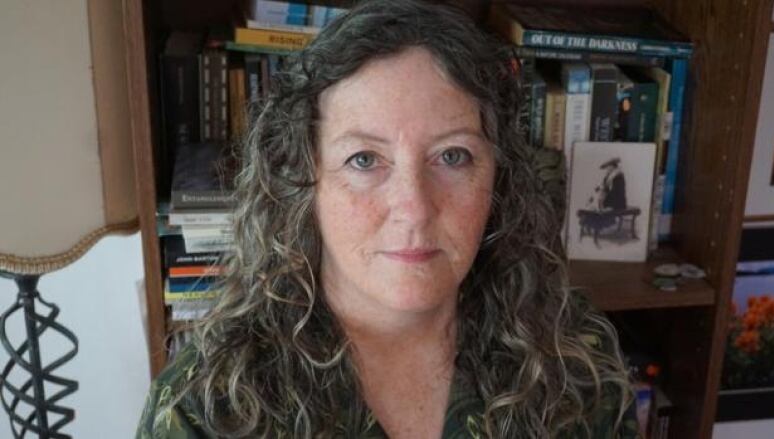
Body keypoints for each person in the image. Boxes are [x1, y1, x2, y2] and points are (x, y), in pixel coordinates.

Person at [137, 1, 638, 437]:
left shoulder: (574, 370)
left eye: (453, 156)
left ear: (498, 177)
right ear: (303, 178)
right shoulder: (208, 409)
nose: (414, 207)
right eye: (363, 160)